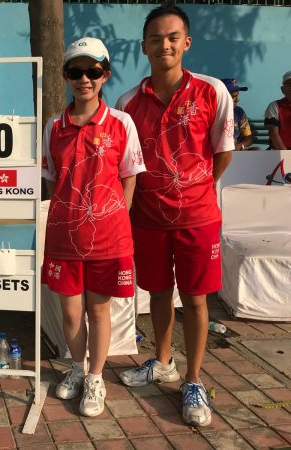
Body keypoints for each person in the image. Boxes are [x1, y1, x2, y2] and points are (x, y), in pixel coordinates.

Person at [115, 4, 234, 427]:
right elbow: (127, 164)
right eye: (155, 38)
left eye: (172, 37)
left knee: (197, 299)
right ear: (144, 46)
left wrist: (194, 188)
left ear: (186, 42)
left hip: (198, 218)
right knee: (159, 293)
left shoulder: (211, 92)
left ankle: (193, 379)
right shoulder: (128, 103)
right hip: (148, 219)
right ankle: (163, 362)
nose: (163, 44)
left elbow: (223, 152)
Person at [42, 37, 145, 417]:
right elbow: (53, 180)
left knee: (99, 311)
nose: (84, 79)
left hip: (107, 238)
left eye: (93, 71)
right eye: (76, 71)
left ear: (105, 75)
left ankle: (96, 377)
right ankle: (76, 367)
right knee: (71, 313)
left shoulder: (121, 122)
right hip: (65, 237)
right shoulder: (54, 125)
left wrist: (116, 216)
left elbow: (130, 176)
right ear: (66, 76)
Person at [220, 78, 253, 150]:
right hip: (218, 152)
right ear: (223, 96)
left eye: (238, 95)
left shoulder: (239, 112)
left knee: (255, 150)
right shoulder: (213, 112)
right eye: (233, 96)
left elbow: (248, 138)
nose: (238, 100)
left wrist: (239, 146)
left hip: (236, 151)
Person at [264, 70, 291, 149]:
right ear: (282, 89)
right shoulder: (274, 106)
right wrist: (286, 154)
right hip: (281, 151)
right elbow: (273, 133)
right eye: (289, 84)